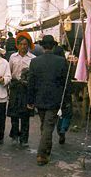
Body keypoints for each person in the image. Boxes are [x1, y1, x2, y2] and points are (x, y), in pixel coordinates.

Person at [27, 35, 68, 166]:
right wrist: (66, 100)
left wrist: (30, 100)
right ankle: (42, 154)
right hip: (55, 99)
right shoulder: (61, 61)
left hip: (40, 98)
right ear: (54, 46)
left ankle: (46, 148)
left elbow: (31, 83)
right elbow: (65, 83)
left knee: (45, 124)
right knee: (48, 126)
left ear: (43, 46)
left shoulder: (35, 62)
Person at [7, 32, 35, 147]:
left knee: (25, 115)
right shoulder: (12, 57)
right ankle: (14, 136)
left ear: (28, 45)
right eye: (21, 44)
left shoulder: (33, 59)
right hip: (14, 87)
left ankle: (24, 139)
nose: (23, 46)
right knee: (14, 114)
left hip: (26, 89)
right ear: (17, 45)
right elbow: (9, 72)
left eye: (25, 44)